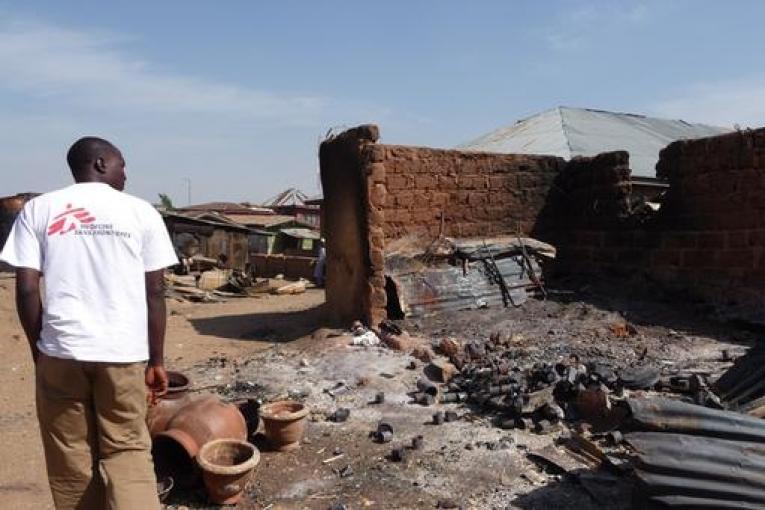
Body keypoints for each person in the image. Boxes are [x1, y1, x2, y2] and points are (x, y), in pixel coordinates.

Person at [0, 137, 178, 509]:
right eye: (121, 165)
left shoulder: (39, 210)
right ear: (99, 163)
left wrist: (41, 350)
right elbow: (155, 291)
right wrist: (157, 360)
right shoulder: (141, 212)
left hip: (61, 352)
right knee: (128, 451)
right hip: (123, 354)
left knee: (71, 459)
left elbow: (28, 291)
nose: (126, 174)